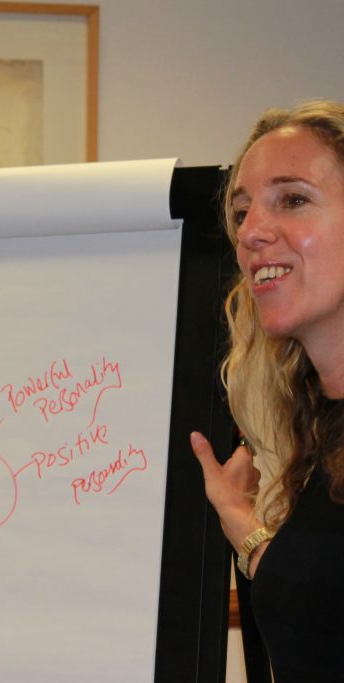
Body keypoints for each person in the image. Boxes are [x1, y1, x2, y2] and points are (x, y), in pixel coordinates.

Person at [190, 99, 344, 683]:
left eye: (294, 199)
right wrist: (243, 523)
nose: (251, 232)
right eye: (242, 211)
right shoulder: (318, 422)